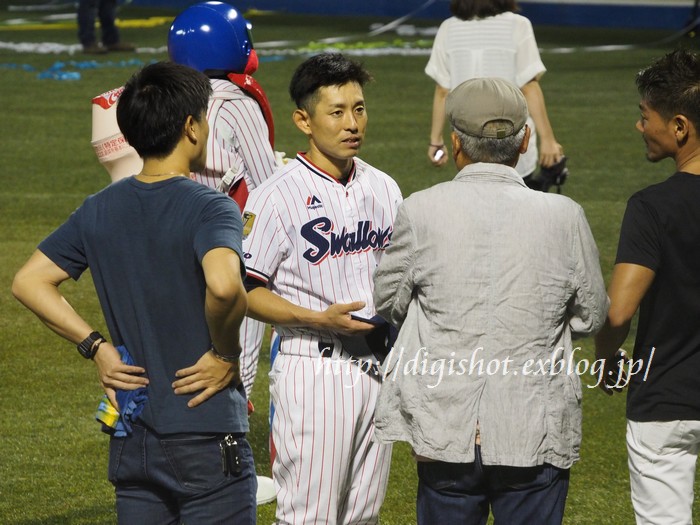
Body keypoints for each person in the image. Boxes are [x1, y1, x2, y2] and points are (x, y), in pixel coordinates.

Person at [12, 61, 256, 524]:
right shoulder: (211, 206)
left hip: (133, 439)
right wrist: (225, 354)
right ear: (190, 127)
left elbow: (29, 282)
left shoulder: (98, 209)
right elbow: (225, 288)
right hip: (204, 434)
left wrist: (96, 347)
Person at [373, 77, 608, 524]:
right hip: (532, 426)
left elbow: (388, 301)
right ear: (524, 143)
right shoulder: (565, 216)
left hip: (446, 424)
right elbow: (592, 315)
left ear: (456, 143)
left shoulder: (420, 210)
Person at [241, 52, 402, 524]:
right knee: (308, 516)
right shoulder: (275, 195)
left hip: (378, 371)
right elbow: (245, 291)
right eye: (337, 112)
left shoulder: (385, 188)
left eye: (360, 108)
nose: (352, 123)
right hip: (312, 370)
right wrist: (317, 318)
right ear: (303, 120)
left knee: (363, 516)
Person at [594, 49, 700, 525]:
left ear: (679, 127)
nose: (640, 127)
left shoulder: (652, 207)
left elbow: (617, 313)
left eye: (645, 116)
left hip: (667, 399)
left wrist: (608, 358)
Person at [169, 1, 279, 398]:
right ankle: (228, 440)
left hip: (174, 235)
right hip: (231, 243)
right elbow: (266, 184)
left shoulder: (168, 100)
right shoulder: (235, 102)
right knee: (237, 353)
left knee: (185, 347)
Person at [425, 0, 563, 190]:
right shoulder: (518, 25)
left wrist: (436, 141)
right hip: (512, 139)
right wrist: (548, 140)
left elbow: (442, 91)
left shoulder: (448, 28)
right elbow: (529, 87)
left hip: (468, 142)